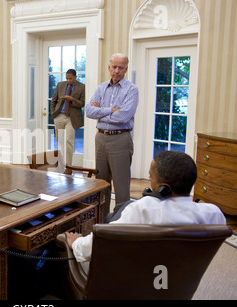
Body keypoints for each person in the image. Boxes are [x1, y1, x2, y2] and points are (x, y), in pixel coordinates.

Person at [65, 151, 227, 264]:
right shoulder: (214, 214)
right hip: (180, 281)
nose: (149, 180)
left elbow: (99, 244)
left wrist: (77, 243)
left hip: (133, 281)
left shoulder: (144, 209)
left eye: (151, 177)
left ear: (164, 187)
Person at [85, 53, 139, 214]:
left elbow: (123, 116)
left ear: (126, 69)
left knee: (121, 187)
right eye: (114, 67)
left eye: (121, 68)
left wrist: (100, 111)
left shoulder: (132, 90)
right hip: (100, 138)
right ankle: (102, 219)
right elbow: (88, 111)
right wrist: (110, 110)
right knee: (101, 183)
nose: (117, 71)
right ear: (109, 68)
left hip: (120, 139)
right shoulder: (101, 88)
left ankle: (121, 223)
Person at [50, 69, 85, 173]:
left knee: (69, 141)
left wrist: (72, 100)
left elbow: (82, 103)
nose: (68, 80)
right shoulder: (60, 85)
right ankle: (61, 163)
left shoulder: (81, 87)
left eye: (70, 78)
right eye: (67, 78)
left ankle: (69, 167)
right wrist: (53, 114)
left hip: (71, 118)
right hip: (59, 116)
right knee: (59, 141)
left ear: (75, 77)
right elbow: (54, 100)